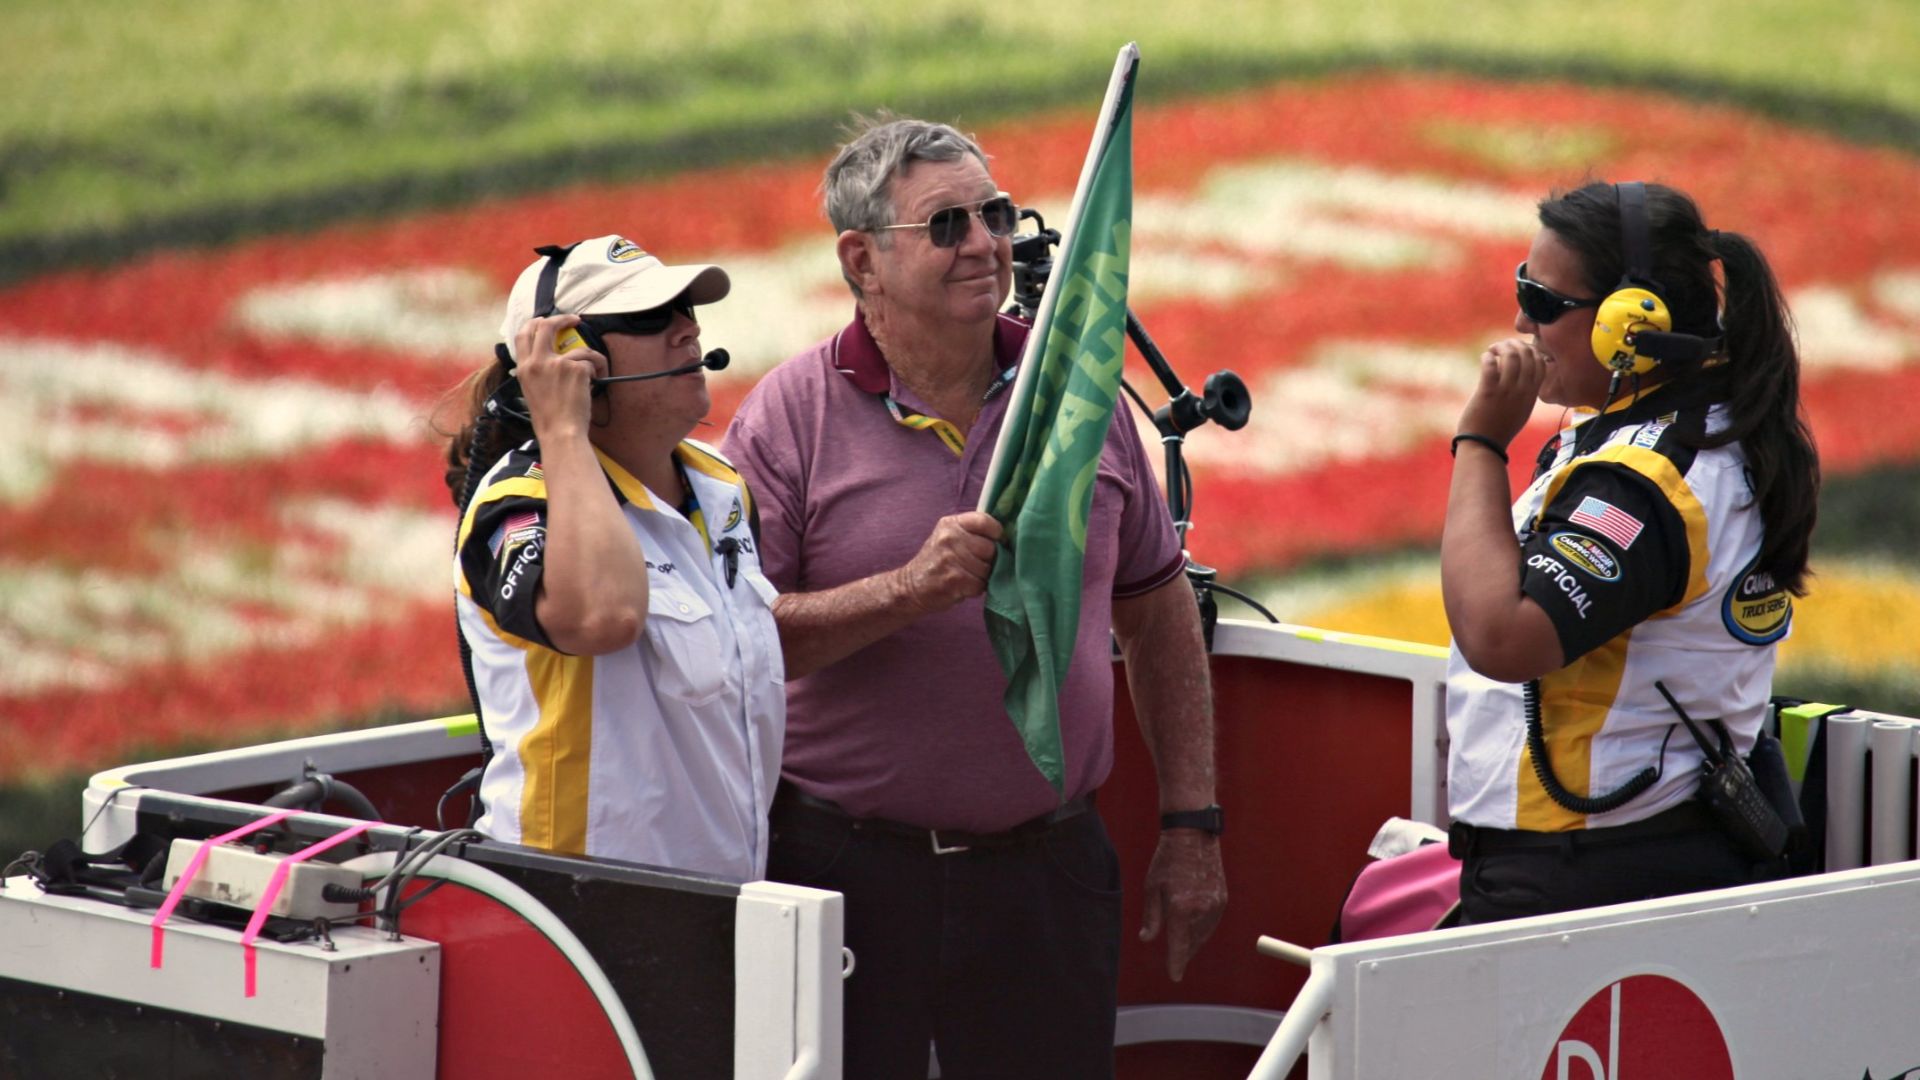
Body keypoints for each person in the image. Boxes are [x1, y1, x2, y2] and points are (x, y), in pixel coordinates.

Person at [723, 116, 1226, 1078]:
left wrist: (1192, 826)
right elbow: (747, 643)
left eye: (994, 215)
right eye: (947, 225)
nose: (989, 243)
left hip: (1048, 874)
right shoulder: (788, 420)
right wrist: (908, 591)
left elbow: (1158, 612)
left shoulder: (1083, 400)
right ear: (861, 259)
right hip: (844, 873)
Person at [1440, 181, 1819, 924]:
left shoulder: (1647, 487)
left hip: (1587, 873)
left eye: (1544, 302)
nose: (1521, 320)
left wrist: (1481, 444)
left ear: (1630, 323)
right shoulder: (1690, 431)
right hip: (1627, 856)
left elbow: (1500, 634)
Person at [443, 234, 783, 882]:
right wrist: (563, 427)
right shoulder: (517, 503)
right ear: (572, 356)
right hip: (578, 909)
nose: (688, 329)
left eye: (687, 309)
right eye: (653, 318)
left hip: (724, 898)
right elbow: (605, 617)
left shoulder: (721, 487)